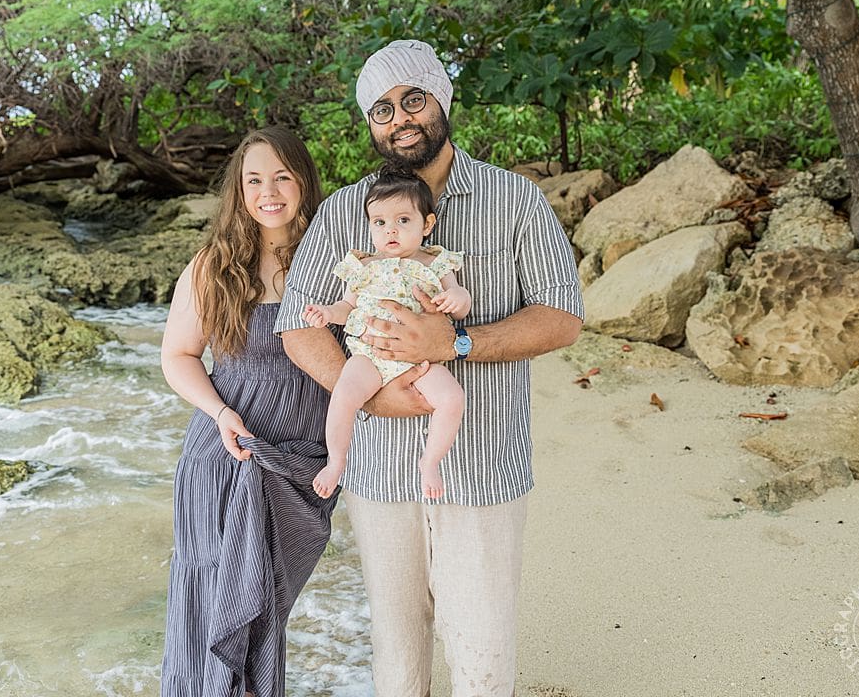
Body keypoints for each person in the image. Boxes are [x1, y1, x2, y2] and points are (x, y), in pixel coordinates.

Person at [276, 39, 584, 696]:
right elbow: (298, 329)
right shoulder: (344, 212)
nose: (401, 119)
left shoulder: (515, 200)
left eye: (413, 100)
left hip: (482, 467)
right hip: (378, 471)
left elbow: (562, 317)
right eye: (382, 109)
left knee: (482, 654)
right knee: (398, 656)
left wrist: (457, 343)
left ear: (441, 99)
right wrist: (371, 397)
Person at [160, 126, 338, 697]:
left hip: (302, 466)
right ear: (238, 190)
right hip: (226, 455)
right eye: (254, 180)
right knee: (209, 604)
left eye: (282, 177)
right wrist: (218, 411)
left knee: (264, 612)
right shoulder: (212, 266)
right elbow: (178, 357)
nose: (269, 192)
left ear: (304, 182)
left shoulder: (333, 262)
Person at [302, 167, 469, 500]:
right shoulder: (363, 267)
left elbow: (460, 305)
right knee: (344, 395)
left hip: (420, 360)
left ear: (427, 224)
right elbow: (347, 306)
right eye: (379, 222)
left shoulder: (435, 263)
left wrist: (457, 298)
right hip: (370, 356)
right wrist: (328, 313)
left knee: (452, 399)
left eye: (403, 220)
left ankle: (430, 461)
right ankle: (336, 461)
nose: (390, 230)